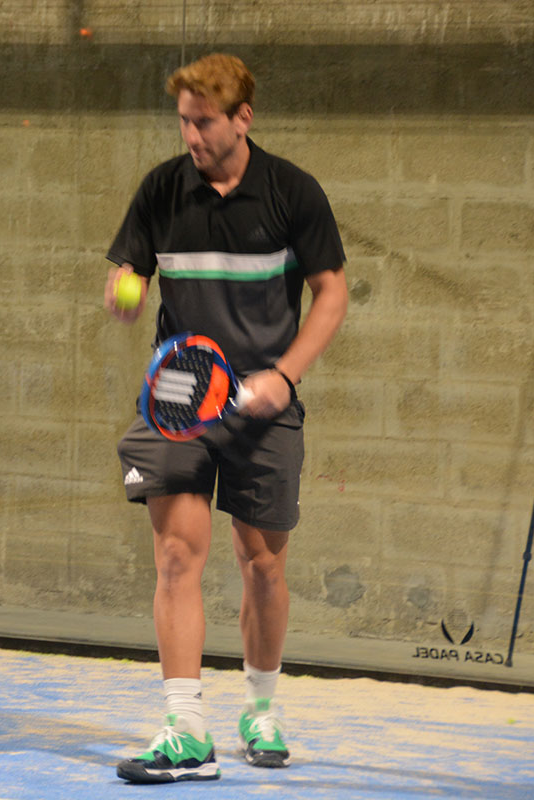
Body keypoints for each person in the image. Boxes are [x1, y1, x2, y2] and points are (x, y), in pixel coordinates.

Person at [104, 53, 348, 783]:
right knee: (177, 557)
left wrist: (284, 374)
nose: (192, 136)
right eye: (184, 122)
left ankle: (261, 709)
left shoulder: (292, 192)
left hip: (263, 406)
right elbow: (129, 271)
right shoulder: (162, 188)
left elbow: (332, 293)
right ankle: (185, 730)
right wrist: (124, 287)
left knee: (262, 564)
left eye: (203, 122)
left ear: (243, 118)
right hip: (180, 400)